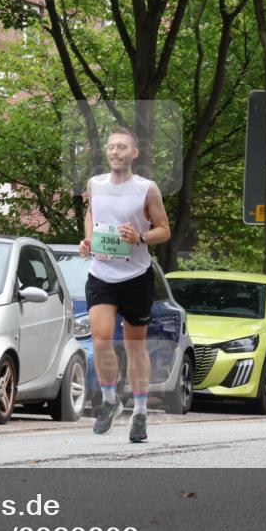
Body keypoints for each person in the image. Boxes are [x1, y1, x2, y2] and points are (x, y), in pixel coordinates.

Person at [79, 127, 171, 443]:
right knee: (101, 340)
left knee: (134, 347)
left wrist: (140, 237)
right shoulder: (95, 184)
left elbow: (164, 229)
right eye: (111, 147)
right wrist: (89, 240)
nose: (115, 152)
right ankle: (109, 400)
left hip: (135, 278)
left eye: (122, 147)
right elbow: (91, 213)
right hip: (101, 274)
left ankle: (140, 413)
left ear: (134, 153)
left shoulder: (147, 189)